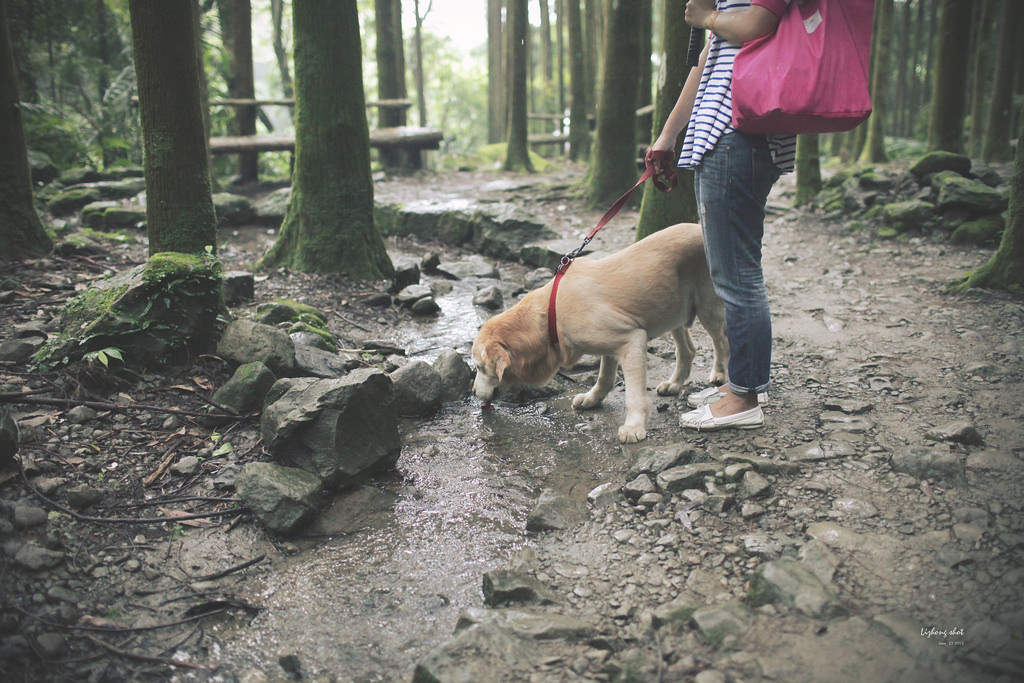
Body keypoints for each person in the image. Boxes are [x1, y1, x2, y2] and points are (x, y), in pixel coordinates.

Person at [649, 0, 796, 431]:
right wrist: (667, 136)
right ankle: (744, 383)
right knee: (735, 273)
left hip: (738, 134)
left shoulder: (721, 13)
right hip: (726, 136)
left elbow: (758, 23)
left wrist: (705, 18)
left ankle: (744, 397)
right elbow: (703, 68)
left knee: (737, 277)